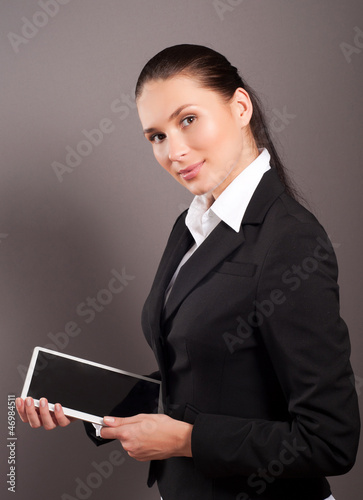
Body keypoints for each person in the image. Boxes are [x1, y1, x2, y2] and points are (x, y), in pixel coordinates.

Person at [17, 44, 360, 500]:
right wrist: (95, 409)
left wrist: (183, 440)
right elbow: (200, 372)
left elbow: (329, 442)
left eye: (188, 120)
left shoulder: (291, 242)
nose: (174, 151)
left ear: (240, 107)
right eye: (157, 136)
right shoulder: (192, 223)